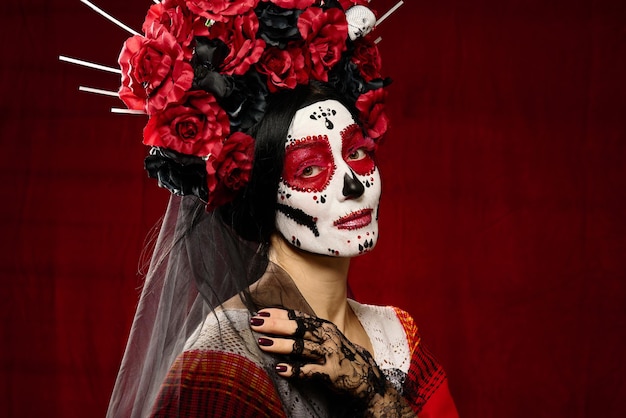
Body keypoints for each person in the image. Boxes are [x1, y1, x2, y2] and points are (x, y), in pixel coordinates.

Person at [105, 1, 458, 417]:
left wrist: (373, 392)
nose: (352, 183)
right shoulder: (225, 360)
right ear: (262, 193)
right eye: (310, 168)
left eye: (357, 152)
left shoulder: (396, 334)